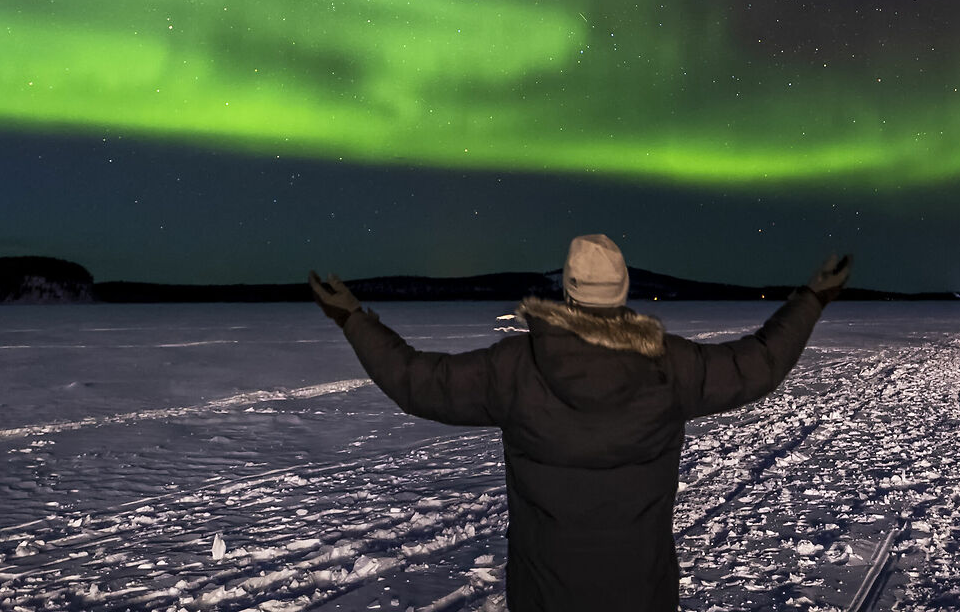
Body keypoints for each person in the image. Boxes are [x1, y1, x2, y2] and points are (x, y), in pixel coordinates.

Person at [307, 234, 851, 611]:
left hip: (546, 593)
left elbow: (417, 381)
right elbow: (758, 363)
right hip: (640, 591)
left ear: (567, 291)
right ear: (624, 289)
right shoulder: (672, 365)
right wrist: (811, 299)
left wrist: (353, 318)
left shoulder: (515, 367)